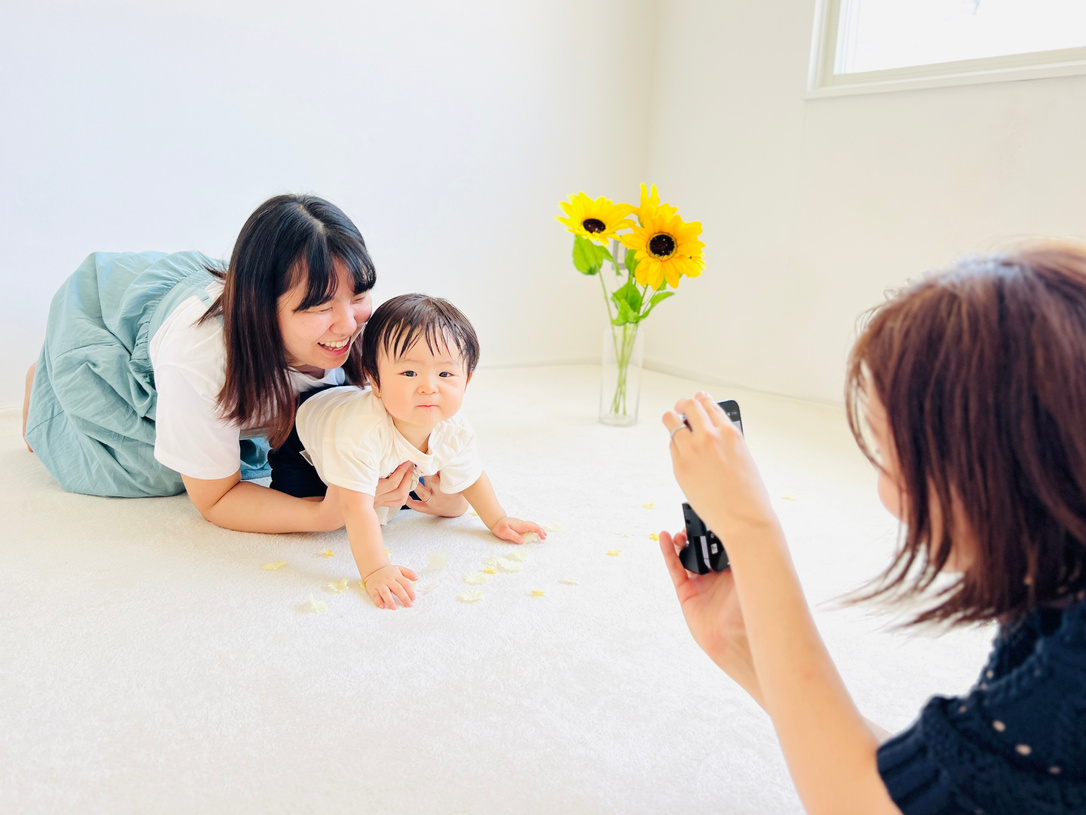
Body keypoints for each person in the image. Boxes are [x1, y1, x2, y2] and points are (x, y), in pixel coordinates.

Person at [659, 241, 1086, 815]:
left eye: (885, 455)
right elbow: (932, 791)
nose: (883, 493)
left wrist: (751, 530)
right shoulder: (1055, 594)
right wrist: (738, 642)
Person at [22, 193, 467, 531]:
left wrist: (443, 492)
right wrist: (326, 514)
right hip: (137, 348)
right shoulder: (200, 357)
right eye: (319, 307)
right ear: (263, 306)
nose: (348, 324)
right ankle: (44, 383)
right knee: (159, 472)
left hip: (256, 349)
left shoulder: (365, 328)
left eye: (359, 295)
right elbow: (215, 500)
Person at [273, 293, 546, 610]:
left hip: (377, 448)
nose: (429, 387)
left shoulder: (453, 427)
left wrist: (498, 519)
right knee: (319, 503)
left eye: (445, 374)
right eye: (409, 373)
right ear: (374, 381)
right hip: (305, 435)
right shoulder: (361, 433)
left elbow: (471, 476)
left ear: (466, 380)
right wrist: (376, 570)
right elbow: (357, 509)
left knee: (413, 491)